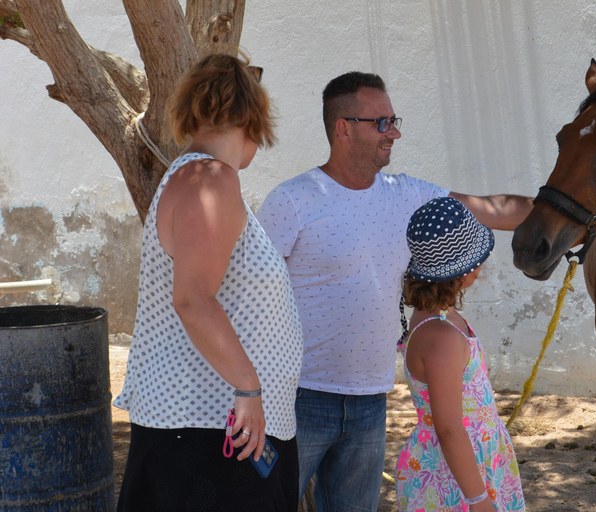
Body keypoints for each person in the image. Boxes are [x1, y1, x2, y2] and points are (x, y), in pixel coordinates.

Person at [256, 71, 532, 511]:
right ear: (343, 128)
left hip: (370, 401)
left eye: (394, 120)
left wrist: (576, 211)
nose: (395, 132)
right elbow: (250, 295)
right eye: (382, 122)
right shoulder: (292, 201)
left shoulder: (407, 195)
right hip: (298, 397)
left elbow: (492, 209)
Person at [114, 52, 303, 512]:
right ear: (252, 116)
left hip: (217, 429)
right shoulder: (210, 180)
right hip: (208, 432)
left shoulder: (202, 177)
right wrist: (249, 388)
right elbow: (193, 300)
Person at [396, 197, 526, 512]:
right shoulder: (441, 338)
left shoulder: (439, 315)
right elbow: (449, 428)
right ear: (464, 270)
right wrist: (478, 500)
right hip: (454, 477)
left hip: (472, 460)